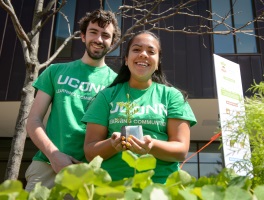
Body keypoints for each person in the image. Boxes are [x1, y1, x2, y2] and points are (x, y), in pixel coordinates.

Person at [82, 30, 197, 184]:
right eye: (136, 49)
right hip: (113, 188)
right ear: (126, 59)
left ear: (158, 63)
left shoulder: (172, 96)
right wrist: (112, 144)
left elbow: (181, 150)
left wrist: (151, 145)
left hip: (160, 188)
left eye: (151, 51)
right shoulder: (106, 96)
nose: (143, 54)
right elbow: (90, 152)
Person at [25, 9, 121, 191]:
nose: (99, 39)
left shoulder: (117, 84)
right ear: (83, 36)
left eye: (105, 35)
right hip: (47, 165)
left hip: (90, 173)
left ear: (112, 42)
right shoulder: (55, 71)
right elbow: (33, 121)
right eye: (93, 32)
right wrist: (54, 155)